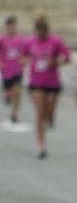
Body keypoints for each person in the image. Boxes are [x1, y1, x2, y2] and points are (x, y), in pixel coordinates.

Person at [26, 15, 69, 160]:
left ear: (47, 31)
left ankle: (51, 118)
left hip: (52, 83)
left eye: (43, 32)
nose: (40, 35)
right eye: (38, 32)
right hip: (35, 82)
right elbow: (23, 56)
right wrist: (27, 61)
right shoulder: (30, 42)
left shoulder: (56, 41)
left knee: (48, 112)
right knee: (39, 113)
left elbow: (67, 58)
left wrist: (56, 62)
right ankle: (41, 145)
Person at [1, 16, 26, 126]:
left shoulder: (21, 39)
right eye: (9, 26)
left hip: (18, 70)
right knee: (9, 93)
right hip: (6, 70)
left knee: (17, 92)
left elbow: (26, 53)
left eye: (13, 26)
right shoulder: (2, 39)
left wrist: (24, 60)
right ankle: (7, 97)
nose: (11, 28)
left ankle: (14, 114)